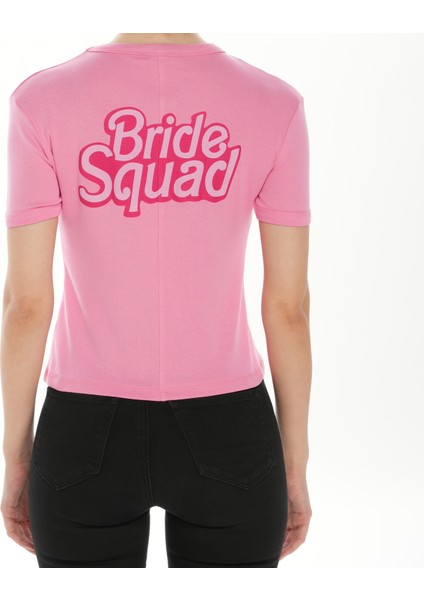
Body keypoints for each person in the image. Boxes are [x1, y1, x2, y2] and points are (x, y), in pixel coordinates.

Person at [0, 32, 312, 568]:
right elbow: (289, 309)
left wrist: (17, 460)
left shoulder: (41, 101)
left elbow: (26, 305)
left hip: (83, 430)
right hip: (231, 430)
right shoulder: (274, 103)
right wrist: (294, 467)